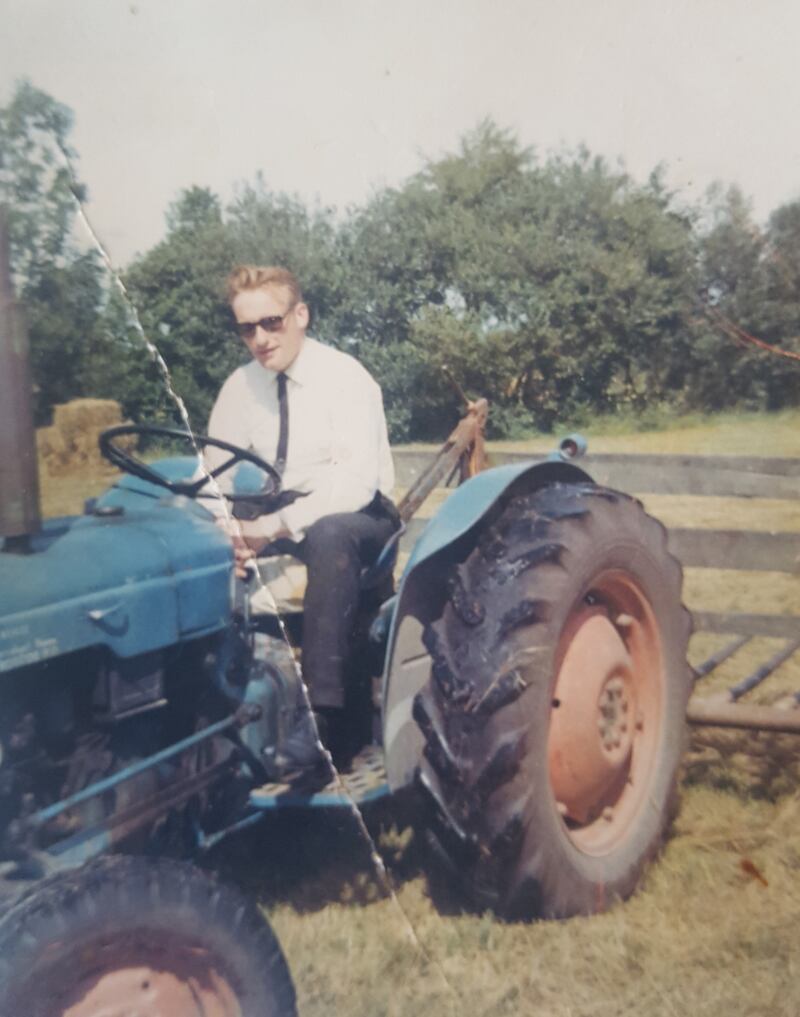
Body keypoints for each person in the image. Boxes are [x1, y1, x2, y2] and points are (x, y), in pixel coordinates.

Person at [207, 265, 398, 779]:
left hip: (359, 518)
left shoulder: (346, 378)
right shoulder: (240, 387)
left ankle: (323, 722)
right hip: (280, 511)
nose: (261, 340)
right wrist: (226, 531)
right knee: (197, 551)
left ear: (301, 315)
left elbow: (353, 485)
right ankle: (214, 712)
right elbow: (212, 475)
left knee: (331, 534)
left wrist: (271, 528)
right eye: (247, 329)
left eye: (271, 322)